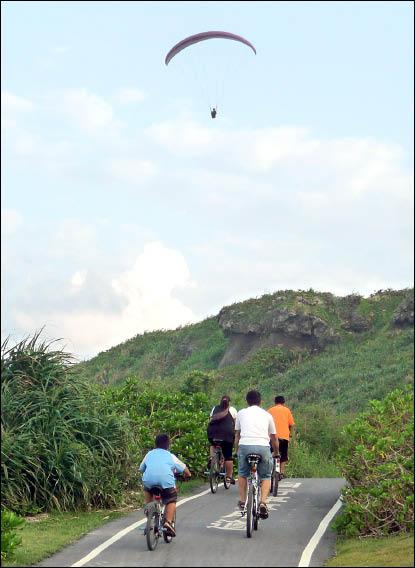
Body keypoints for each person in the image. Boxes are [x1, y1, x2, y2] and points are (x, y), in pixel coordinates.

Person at [235, 390, 279, 519]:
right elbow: (274, 438)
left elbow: (237, 435)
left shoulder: (241, 413)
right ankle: (263, 502)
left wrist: (237, 450)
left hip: (245, 446)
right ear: (260, 401)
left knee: (243, 473)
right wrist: (276, 452)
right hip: (263, 447)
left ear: (247, 401)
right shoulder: (267, 415)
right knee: (265, 476)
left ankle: (243, 501)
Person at [139, 433, 191, 537]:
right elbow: (184, 469)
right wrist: (188, 474)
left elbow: (141, 468)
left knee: (147, 490)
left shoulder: (149, 454)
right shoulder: (170, 456)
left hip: (149, 482)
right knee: (171, 499)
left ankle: (149, 512)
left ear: (155, 444)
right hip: (165, 482)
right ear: (168, 445)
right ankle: (168, 522)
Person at [207, 395, 237, 485]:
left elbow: (210, 419)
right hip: (227, 436)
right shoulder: (232, 410)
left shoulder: (215, 408)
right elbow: (236, 425)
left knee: (213, 444)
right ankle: (228, 476)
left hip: (212, 433)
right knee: (228, 456)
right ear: (229, 402)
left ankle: (212, 458)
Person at [267, 395, 295, 477]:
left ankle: (270, 470)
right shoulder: (287, 410)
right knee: (283, 455)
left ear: (275, 402)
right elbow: (291, 424)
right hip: (284, 436)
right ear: (283, 402)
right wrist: (290, 435)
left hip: (271, 437)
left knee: (271, 453)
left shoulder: (269, 410)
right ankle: (281, 472)